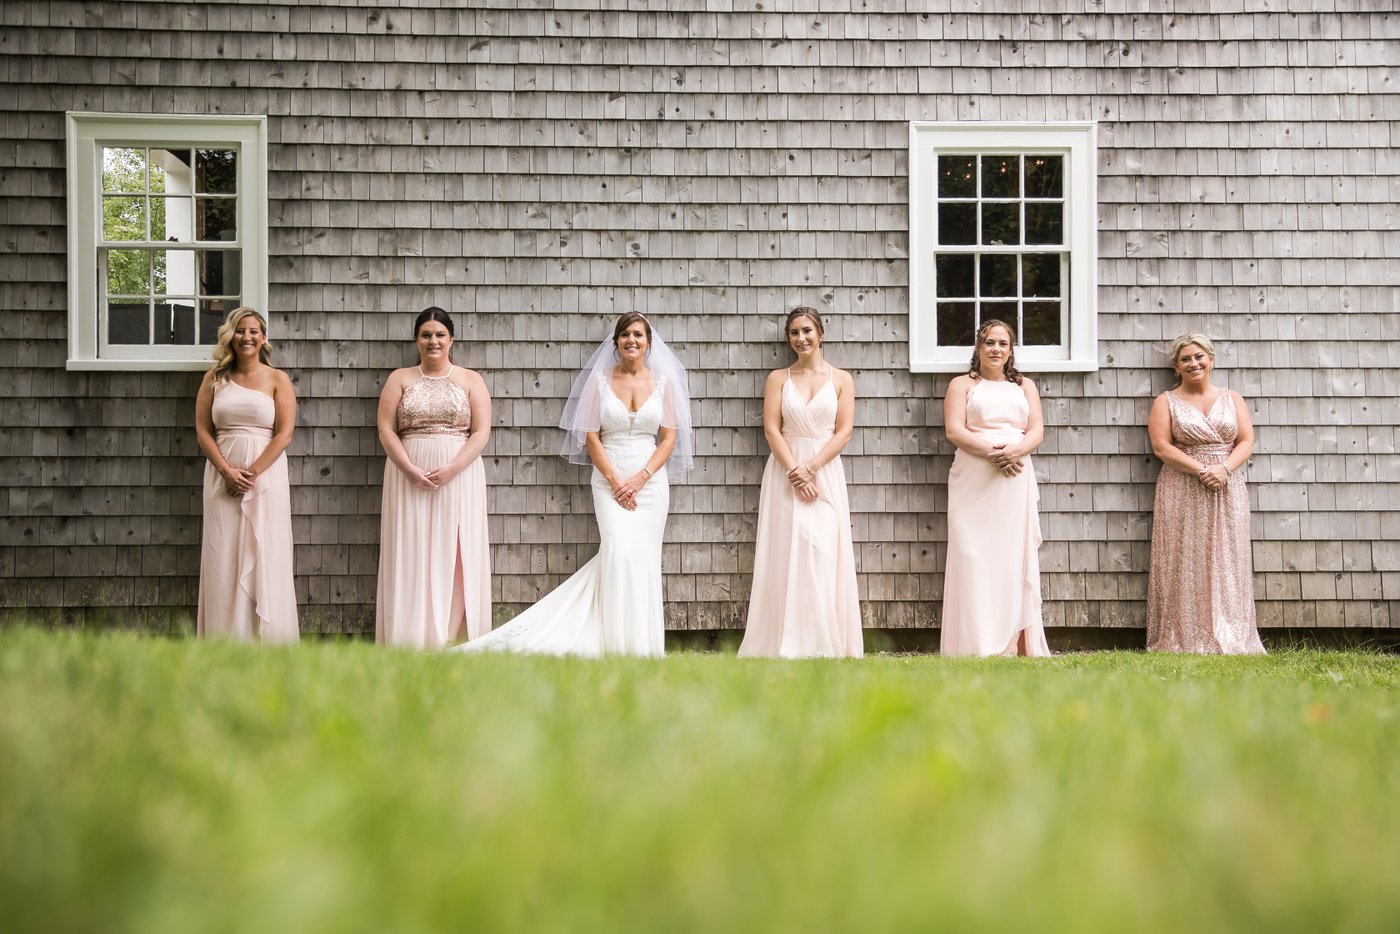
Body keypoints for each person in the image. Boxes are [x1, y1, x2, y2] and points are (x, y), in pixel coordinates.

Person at [455, 312, 693, 657]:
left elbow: (669, 438)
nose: (631, 341)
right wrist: (615, 481)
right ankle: (612, 639)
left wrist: (641, 478)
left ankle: (642, 644)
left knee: (642, 557)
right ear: (615, 343)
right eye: (625, 335)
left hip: (651, 484)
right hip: (610, 480)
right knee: (617, 550)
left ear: (648, 343)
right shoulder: (600, 381)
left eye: (638, 335)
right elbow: (590, 436)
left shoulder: (663, 382)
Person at [739, 308, 862, 658]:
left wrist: (811, 468)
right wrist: (795, 470)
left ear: (820, 332)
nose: (801, 338)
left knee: (821, 550)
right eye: (793, 333)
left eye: (806, 330)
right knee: (788, 552)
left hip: (824, 470)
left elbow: (845, 431)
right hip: (784, 469)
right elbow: (771, 429)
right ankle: (785, 639)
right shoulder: (778, 378)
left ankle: (822, 638)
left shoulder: (842, 379)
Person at [376, 307, 493, 649]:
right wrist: (408, 468)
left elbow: (481, 431)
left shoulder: (471, 379)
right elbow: (386, 428)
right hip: (407, 474)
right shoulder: (400, 378)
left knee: (456, 550)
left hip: (460, 475)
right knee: (411, 548)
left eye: (440, 334)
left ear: (451, 339)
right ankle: (412, 634)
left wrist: (453, 469)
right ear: (417, 340)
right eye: (426, 335)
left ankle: (453, 635)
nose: (433, 341)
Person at [1146, 333, 1265, 654]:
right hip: (1182, 486)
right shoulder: (1165, 402)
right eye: (1185, 359)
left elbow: (1246, 441)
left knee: (1228, 556)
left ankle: (1231, 630)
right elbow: (1161, 447)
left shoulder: (1233, 398)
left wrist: (1224, 469)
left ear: (1210, 360)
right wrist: (1201, 470)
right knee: (1185, 557)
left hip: (1227, 485)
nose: (1193, 363)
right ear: (1176, 367)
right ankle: (1185, 634)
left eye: (1199, 356)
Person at [940, 319, 1051, 657]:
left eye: (1003, 344)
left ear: (1010, 350)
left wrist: (1014, 452)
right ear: (978, 347)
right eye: (989, 342)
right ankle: (975, 641)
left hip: (1013, 478)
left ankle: (1010, 642)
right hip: (974, 476)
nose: (996, 349)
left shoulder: (1024, 386)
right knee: (972, 554)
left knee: (1010, 556)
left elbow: (1036, 430)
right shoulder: (961, 385)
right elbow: (955, 431)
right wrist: (992, 454)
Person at [195, 306, 299, 642]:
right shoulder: (214, 379)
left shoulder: (277, 379)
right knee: (222, 556)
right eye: (240, 330)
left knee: (265, 552)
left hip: (264, 478)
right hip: (221, 477)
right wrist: (227, 472)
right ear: (230, 336)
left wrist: (250, 474)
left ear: (263, 338)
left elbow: (284, 433)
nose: (246, 337)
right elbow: (202, 430)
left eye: (253, 331)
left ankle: (265, 640)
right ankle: (225, 639)